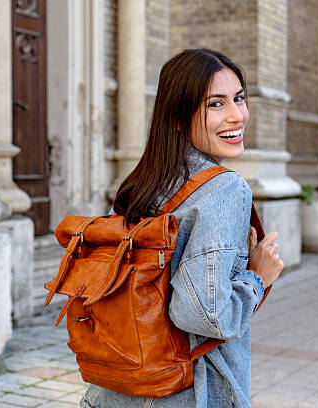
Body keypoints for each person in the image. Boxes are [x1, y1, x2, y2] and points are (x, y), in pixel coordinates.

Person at [79, 48, 284, 407]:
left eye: (238, 98)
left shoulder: (141, 184)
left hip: (115, 388)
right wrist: (257, 277)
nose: (236, 115)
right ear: (177, 118)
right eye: (215, 105)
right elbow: (205, 314)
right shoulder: (224, 188)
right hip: (186, 392)